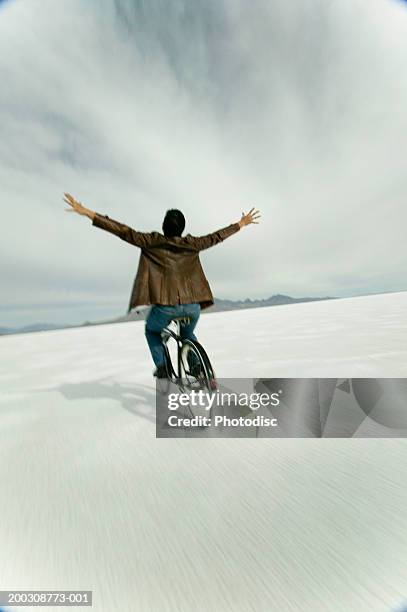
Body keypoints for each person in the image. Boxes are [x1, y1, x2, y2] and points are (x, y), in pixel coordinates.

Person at [63, 193, 260, 377]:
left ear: (164, 226)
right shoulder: (192, 243)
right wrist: (241, 223)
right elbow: (216, 237)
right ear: (182, 228)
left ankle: (163, 366)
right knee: (188, 332)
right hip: (193, 307)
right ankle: (198, 368)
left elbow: (122, 231)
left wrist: (87, 212)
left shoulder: (151, 241)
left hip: (165, 308)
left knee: (151, 331)